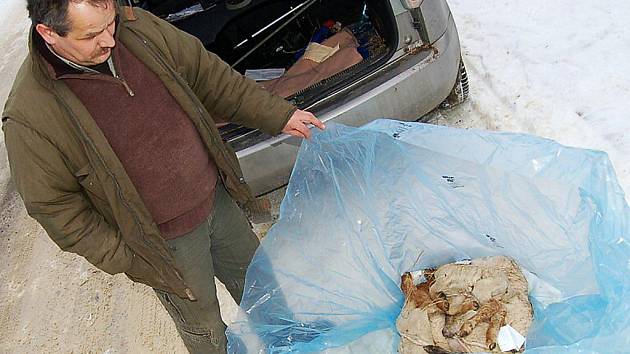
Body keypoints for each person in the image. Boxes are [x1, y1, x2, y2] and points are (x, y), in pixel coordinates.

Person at [2, 0, 325, 352]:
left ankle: (289, 339)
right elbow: (55, 208)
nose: (110, 40)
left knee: (260, 282)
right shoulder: (30, 115)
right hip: (165, 244)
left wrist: (280, 115)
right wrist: (130, 257)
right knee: (205, 329)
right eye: (92, 34)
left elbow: (210, 77)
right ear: (48, 33)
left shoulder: (138, 30)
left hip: (215, 200)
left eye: (109, 23)